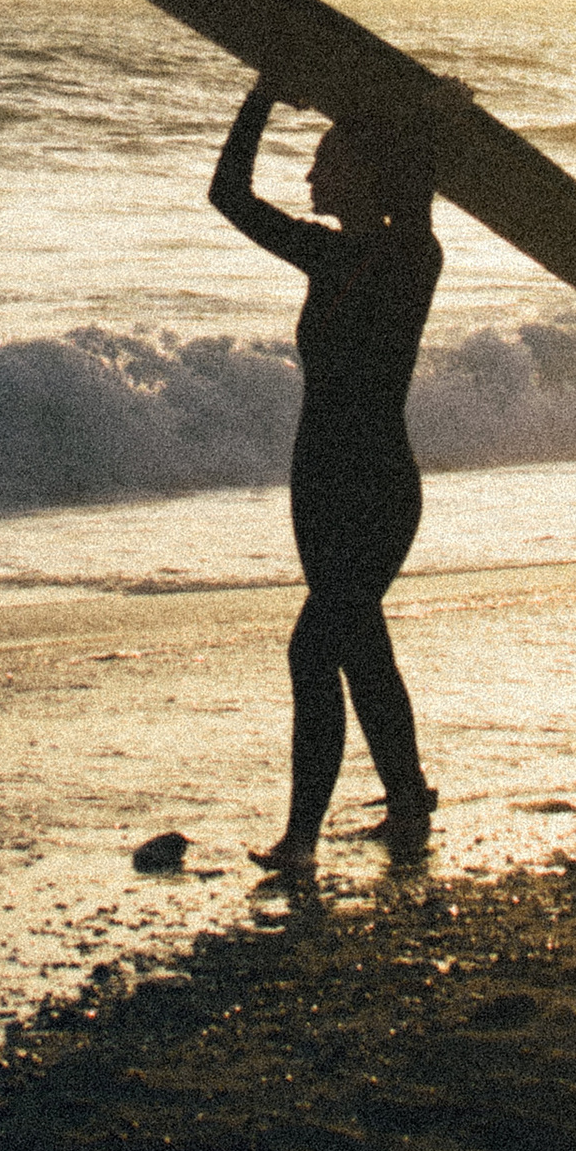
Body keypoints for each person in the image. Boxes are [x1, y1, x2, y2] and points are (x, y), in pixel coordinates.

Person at [211, 73, 460, 872]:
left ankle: (301, 840)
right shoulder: (342, 255)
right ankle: (409, 801)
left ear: (362, 172)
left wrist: (267, 96)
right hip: (322, 484)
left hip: (375, 486)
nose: (311, 178)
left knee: (316, 648)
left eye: (324, 162)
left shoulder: (408, 257)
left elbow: (233, 192)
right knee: (357, 643)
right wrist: (264, 93)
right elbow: (229, 195)